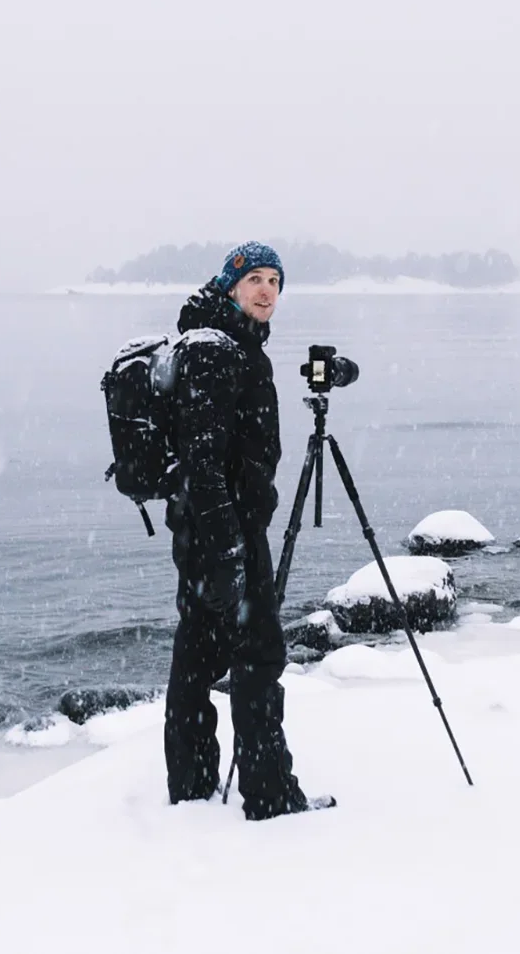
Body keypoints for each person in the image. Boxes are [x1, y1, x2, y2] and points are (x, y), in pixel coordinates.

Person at [164, 241, 332, 820]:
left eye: (274, 281)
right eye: (254, 279)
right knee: (257, 658)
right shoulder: (217, 352)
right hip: (224, 532)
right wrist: (230, 549)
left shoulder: (224, 342)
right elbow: (202, 462)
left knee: (196, 657)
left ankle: (191, 789)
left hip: (206, 532)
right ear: (229, 285)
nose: (266, 291)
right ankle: (269, 796)